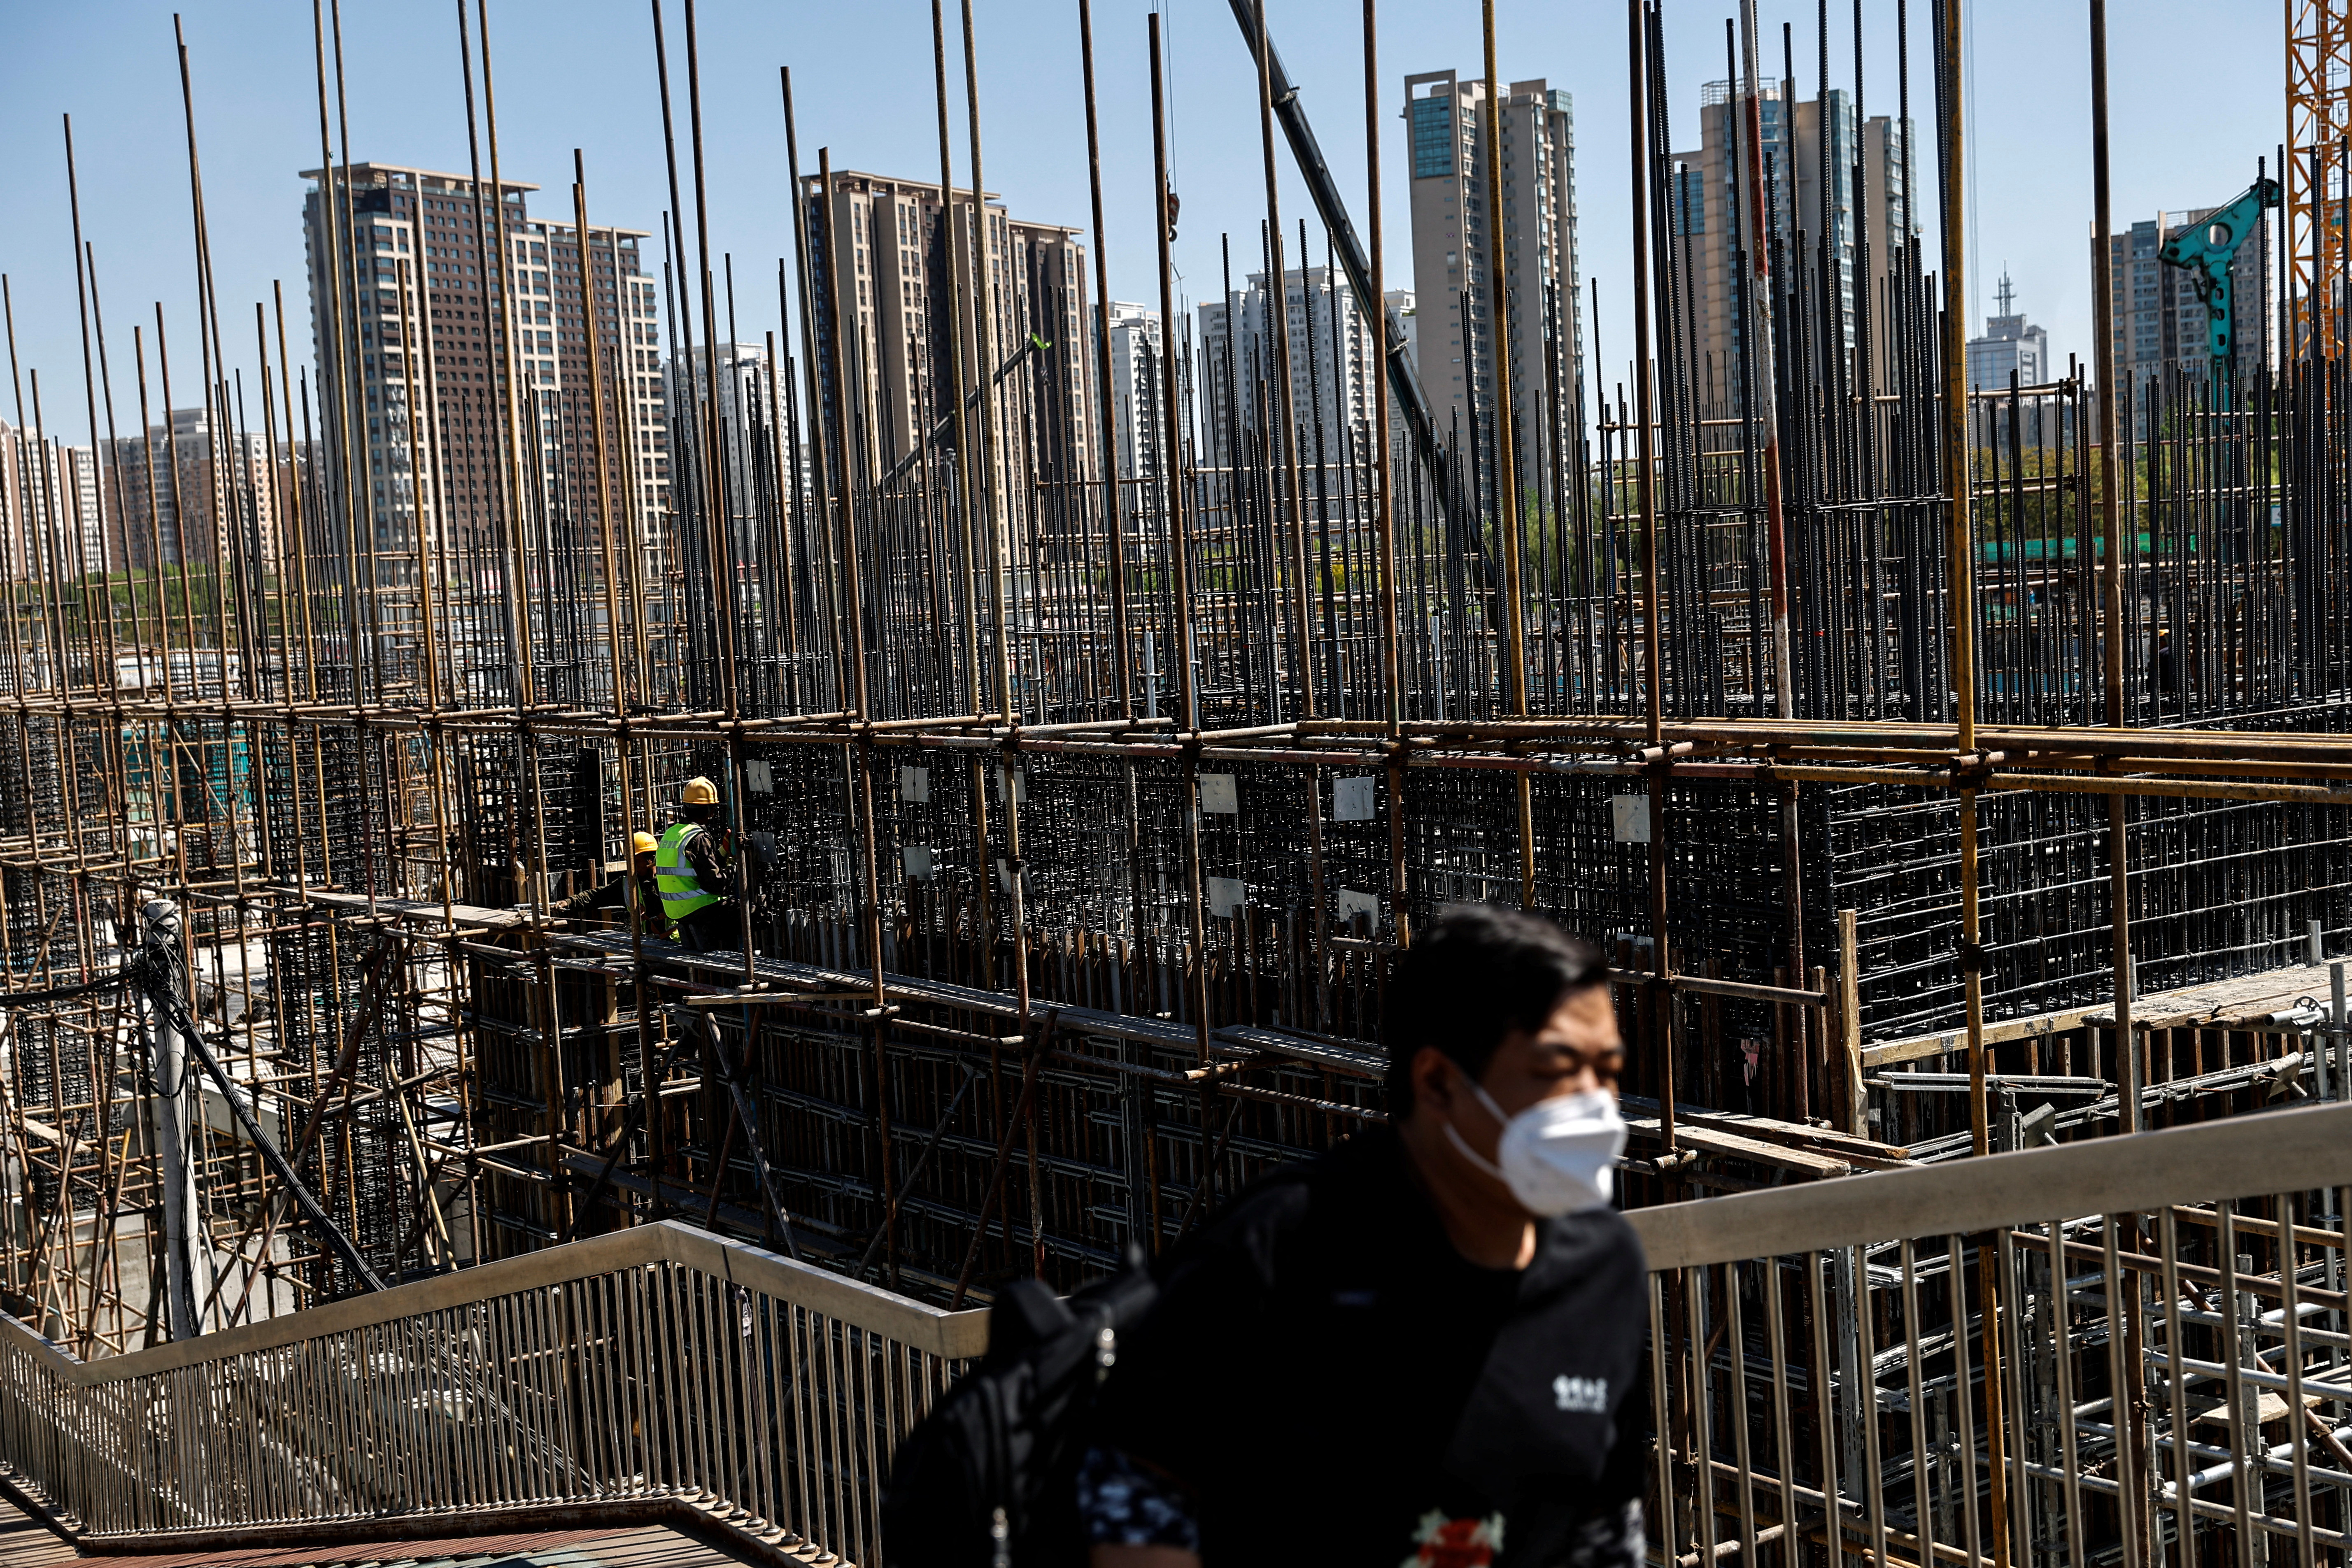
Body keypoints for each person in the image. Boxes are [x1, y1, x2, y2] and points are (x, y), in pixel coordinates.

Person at [1083, 905, 1647, 1568]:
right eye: (1556, 1068)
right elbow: (1137, 1489)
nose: (1594, 1103)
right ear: (1437, 1081)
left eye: (1607, 1069)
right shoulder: (1281, 1249)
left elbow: (1604, 1527)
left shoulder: (1603, 1271)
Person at [656, 776, 752, 952]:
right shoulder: (698, 837)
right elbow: (716, 884)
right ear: (712, 810)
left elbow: (698, 869)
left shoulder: (672, 833)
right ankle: (731, 956)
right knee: (759, 916)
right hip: (698, 908)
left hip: (675, 910)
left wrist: (723, 853)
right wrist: (736, 865)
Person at [550, 831, 667, 935]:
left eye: (636, 862)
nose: (631, 867)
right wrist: (568, 902)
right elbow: (597, 896)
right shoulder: (627, 885)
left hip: (678, 942)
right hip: (651, 943)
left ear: (651, 859)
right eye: (629, 862)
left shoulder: (670, 880)